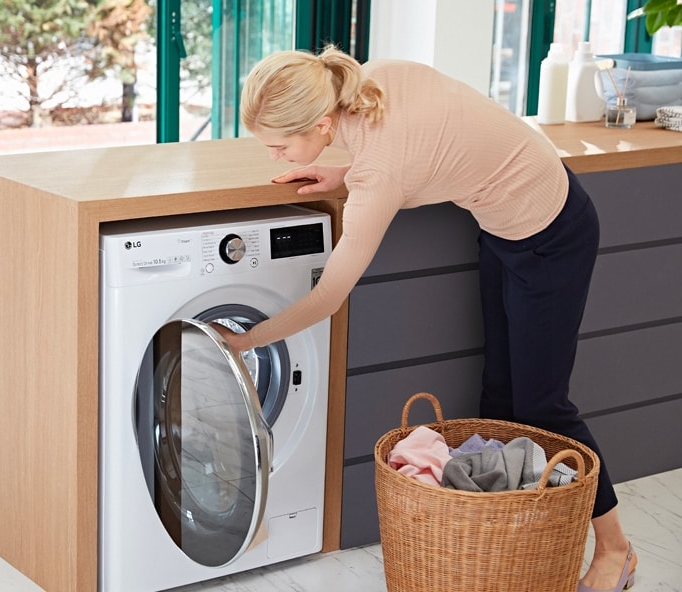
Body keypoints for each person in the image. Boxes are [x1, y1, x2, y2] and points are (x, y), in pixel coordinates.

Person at [217, 45, 637, 592]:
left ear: (321, 122)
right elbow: (427, 144)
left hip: (554, 233)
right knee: (500, 398)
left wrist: (247, 340)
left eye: (279, 145)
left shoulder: (379, 173)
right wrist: (342, 174)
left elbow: (328, 297)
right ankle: (512, 539)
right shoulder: (376, 79)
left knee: (543, 406)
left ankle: (615, 550)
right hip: (504, 225)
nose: (275, 157)